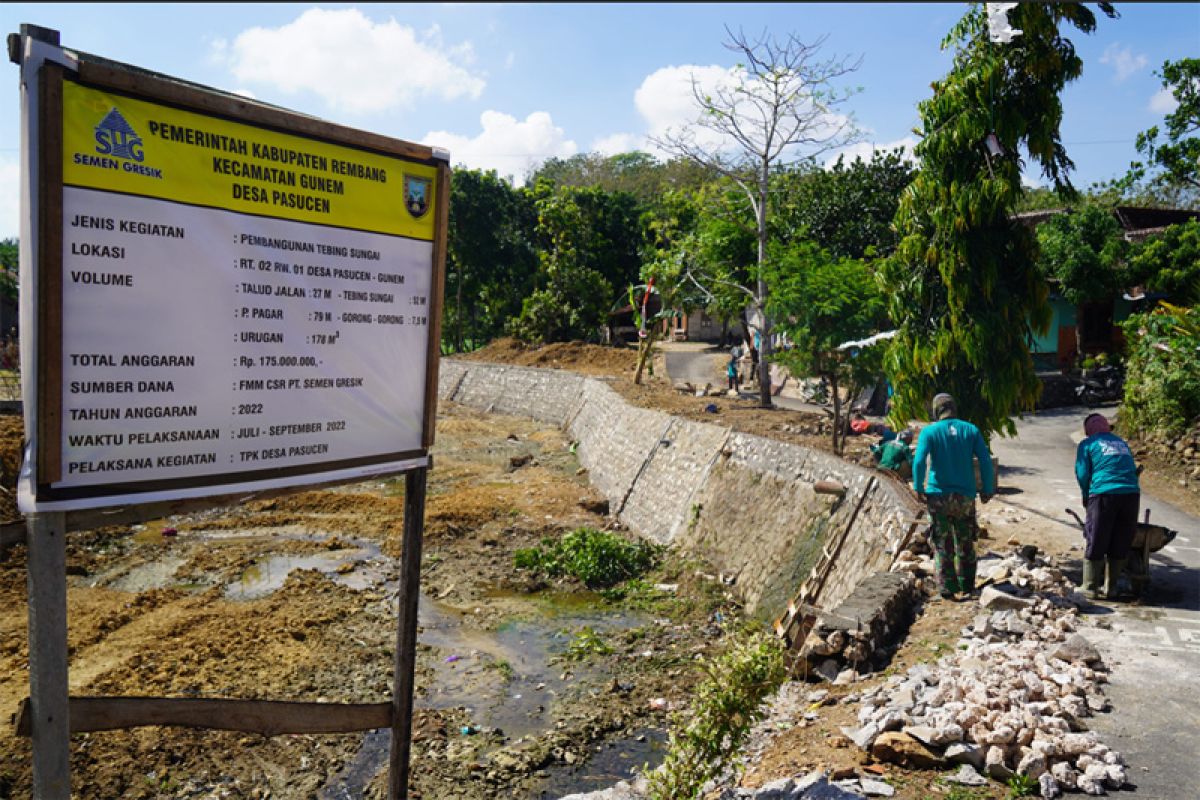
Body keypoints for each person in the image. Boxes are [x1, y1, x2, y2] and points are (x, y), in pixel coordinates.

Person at [912, 393, 995, 600]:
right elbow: (985, 461)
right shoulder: (971, 430)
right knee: (965, 541)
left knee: (942, 543)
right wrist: (987, 488)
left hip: (938, 496)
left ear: (936, 410)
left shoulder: (929, 432)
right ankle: (967, 585)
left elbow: (919, 461)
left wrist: (918, 486)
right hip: (965, 496)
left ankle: (947, 587)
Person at [1074, 413, 1141, 600]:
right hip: (1131, 495)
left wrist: (1086, 496)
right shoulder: (1122, 443)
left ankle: (1090, 586)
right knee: (1121, 538)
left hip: (1104, 493)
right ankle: (1112, 587)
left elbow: (1082, 473)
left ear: (1088, 431)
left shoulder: (1087, 445)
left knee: (1097, 536)